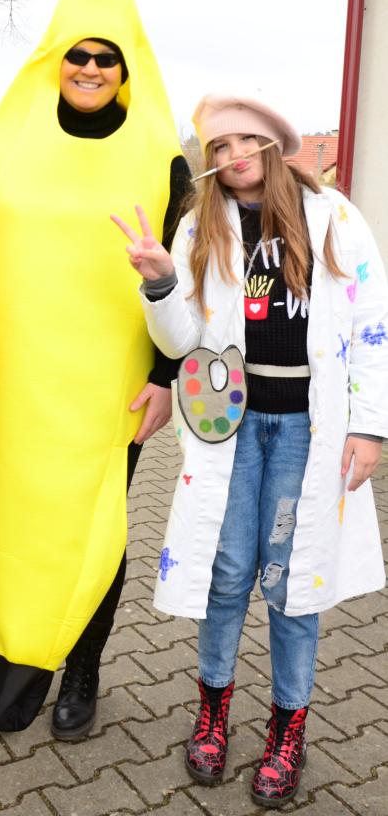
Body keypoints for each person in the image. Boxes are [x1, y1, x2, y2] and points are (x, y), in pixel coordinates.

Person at [113, 93, 388, 808]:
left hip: (305, 430)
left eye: (244, 141)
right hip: (229, 427)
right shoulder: (200, 225)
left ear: (270, 145)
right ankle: (212, 711)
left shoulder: (332, 217)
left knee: (292, 579)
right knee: (227, 571)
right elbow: (180, 340)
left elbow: (371, 323)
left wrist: (369, 427)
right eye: (219, 147)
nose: (233, 156)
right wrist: (158, 280)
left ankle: (288, 728)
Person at [0, 0, 189, 737]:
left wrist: (165, 376)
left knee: (99, 524)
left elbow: (184, 281)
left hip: (113, 387)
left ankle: (83, 668)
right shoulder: (2, 148)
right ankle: (18, 656)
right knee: (21, 518)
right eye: (78, 56)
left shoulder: (162, 160)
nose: (91, 69)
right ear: (55, 60)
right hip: (19, 383)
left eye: (107, 59)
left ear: (127, 71)